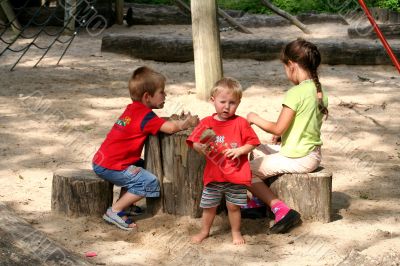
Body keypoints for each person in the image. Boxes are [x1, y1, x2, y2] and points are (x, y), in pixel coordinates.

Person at [92, 66, 197, 230]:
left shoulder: (132, 109)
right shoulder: (145, 115)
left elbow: (161, 125)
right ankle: (115, 210)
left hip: (105, 161)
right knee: (148, 181)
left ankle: (126, 204)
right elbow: (169, 128)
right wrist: (186, 124)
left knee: (142, 166)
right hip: (112, 166)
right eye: (162, 92)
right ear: (147, 97)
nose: (165, 95)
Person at [246, 38, 329, 234]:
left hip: (298, 157)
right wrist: (285, 138)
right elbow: (305, 125)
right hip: (310, 153)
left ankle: (280, 210)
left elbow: (276, 128)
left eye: (285, 67)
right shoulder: (319, 92)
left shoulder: (295, 93)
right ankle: (259, 201)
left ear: (291, 65)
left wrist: (254, 118)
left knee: (245, 172)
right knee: (257, 149)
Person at [187, 77, 260, 244]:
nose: (227, 107)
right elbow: (193, 141)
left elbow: (253, 142)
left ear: (239, 103)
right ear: (213, 100)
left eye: (232, 103)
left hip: (235, 176)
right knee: (209, 206)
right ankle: (204, 231)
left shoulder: (241, 123)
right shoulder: (207, 122)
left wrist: (240, 150)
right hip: (214, 176)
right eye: (222, 101)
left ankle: (236, 232)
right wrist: (199, 147)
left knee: (233, 207)